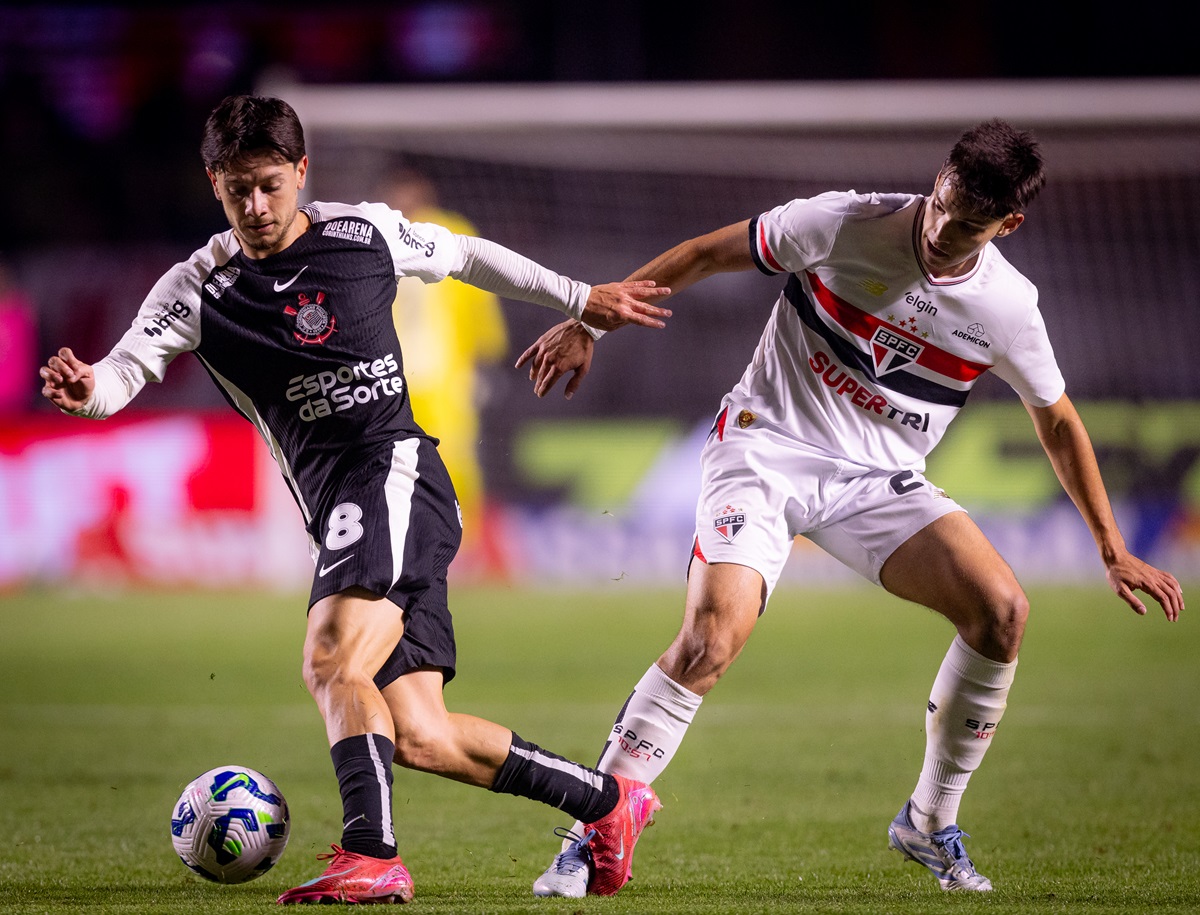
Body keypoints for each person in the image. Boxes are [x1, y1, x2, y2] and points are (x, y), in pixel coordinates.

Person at [517, 119, 1185, 896]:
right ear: (939, 178)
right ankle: (588, 828)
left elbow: (1058, 417)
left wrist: (1110, 545)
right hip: (764, 449)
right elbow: (704, 253)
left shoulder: (1008, 306)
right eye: (943, 203)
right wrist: (588, 318)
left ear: (1009, 225)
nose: (942, 230)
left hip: (878, 482)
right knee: (710, 641)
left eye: (969, 224)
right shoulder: (843, 221)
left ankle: (930, 820)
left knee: (1002, 609)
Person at [38, 94, 674, 905]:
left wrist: (581, 298)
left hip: (393, 469)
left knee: (332, 656)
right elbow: (121, 373)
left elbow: (468, 257)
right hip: (338, 504)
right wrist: (87, 387)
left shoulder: (363, 232)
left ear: (301, 171)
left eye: (271, 185)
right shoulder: (199, 286)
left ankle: (371, 851)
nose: (257, 208)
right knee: (419, 732)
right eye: (238, 192)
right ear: (213, 186)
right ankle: (611, 803)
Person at [379, 164, 509, 572]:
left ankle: (463, 553)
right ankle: (394, 548)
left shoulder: (451, 231)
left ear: (423, 189)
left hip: (446, 377)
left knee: (456, 462)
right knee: (388, 464)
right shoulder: (377, 233)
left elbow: (479, 291)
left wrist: (484, 355)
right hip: (389, 375)